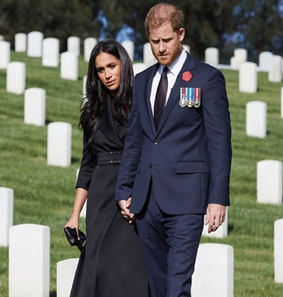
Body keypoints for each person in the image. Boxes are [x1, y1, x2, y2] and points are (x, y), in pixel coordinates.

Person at [115, 3, 232, 297]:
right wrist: (123, 189)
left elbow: (219, 142)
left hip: (188, 198)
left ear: (181, 34)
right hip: (146, 200)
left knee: (177, 286)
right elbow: (135, 141)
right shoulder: (142, 81)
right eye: (155, 41)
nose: (161, 48)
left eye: (167, 40)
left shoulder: (207, 78)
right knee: (157, 286)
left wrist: (218, 198)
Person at [65, 39, 149, 297]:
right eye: (100, 70)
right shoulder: (92, 111)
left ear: (123, 64)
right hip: (101, 194)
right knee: (98, 263)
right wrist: (75, 214)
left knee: (124, 267)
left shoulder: (140, 103)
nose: (107, 74)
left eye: (111, 66)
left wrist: (138, 193)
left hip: (131, 187)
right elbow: (87, 165)